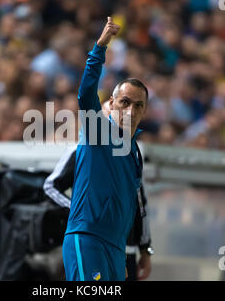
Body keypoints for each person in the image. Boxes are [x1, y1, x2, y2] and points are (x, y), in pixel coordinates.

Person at [61, 17, 149, 281]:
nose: (131, 110)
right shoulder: (97, 129)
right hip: (87, 238)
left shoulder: (134, 151)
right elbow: (86, 92)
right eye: (125, 102)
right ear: (112, 103)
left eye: (138, 105)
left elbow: (131, 204)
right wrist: (100, 47)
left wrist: (120, 251)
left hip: (114, 249)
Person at [43, 142, 153, 281]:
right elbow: (51, 187)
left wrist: (146, 249)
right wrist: (81, 211)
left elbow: (140, 204)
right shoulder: (81, 150)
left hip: (126, 250)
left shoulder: (130, 153)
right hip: (91, 245)